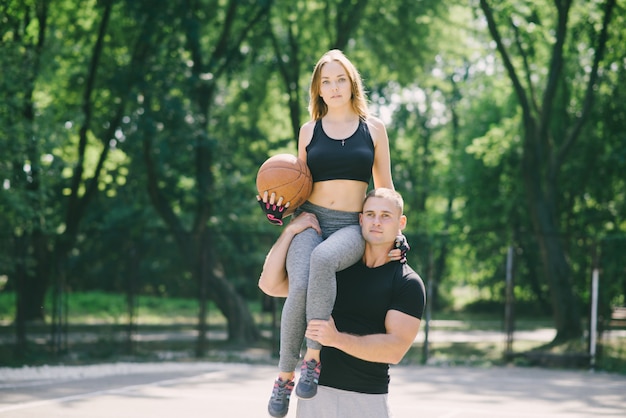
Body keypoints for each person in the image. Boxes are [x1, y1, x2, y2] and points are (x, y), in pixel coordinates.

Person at [257, 50, 401, 418]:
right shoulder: (309, 131)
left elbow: (385, 187)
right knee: (301, 285)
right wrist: (279, 212)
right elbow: (297, 187)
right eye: (326, 81)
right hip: (311, 220)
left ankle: (313, 357)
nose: (334, 87)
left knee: (323, 260)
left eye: (340, 79)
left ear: (352, 84)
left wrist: (395, 234)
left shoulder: (374, 129)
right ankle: (285, 376)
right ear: (318, 90)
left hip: (351, 226)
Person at [259, 188, 425, 418]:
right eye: (370, 214)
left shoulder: (407, 282)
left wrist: (336, 339)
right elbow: (270, 285)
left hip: (366, 399)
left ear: (401, 222)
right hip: (315, 395)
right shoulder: (334, 267)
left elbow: (395, 350)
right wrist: (290, 231)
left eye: (385, 216)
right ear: (360, 219)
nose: (376, 222)